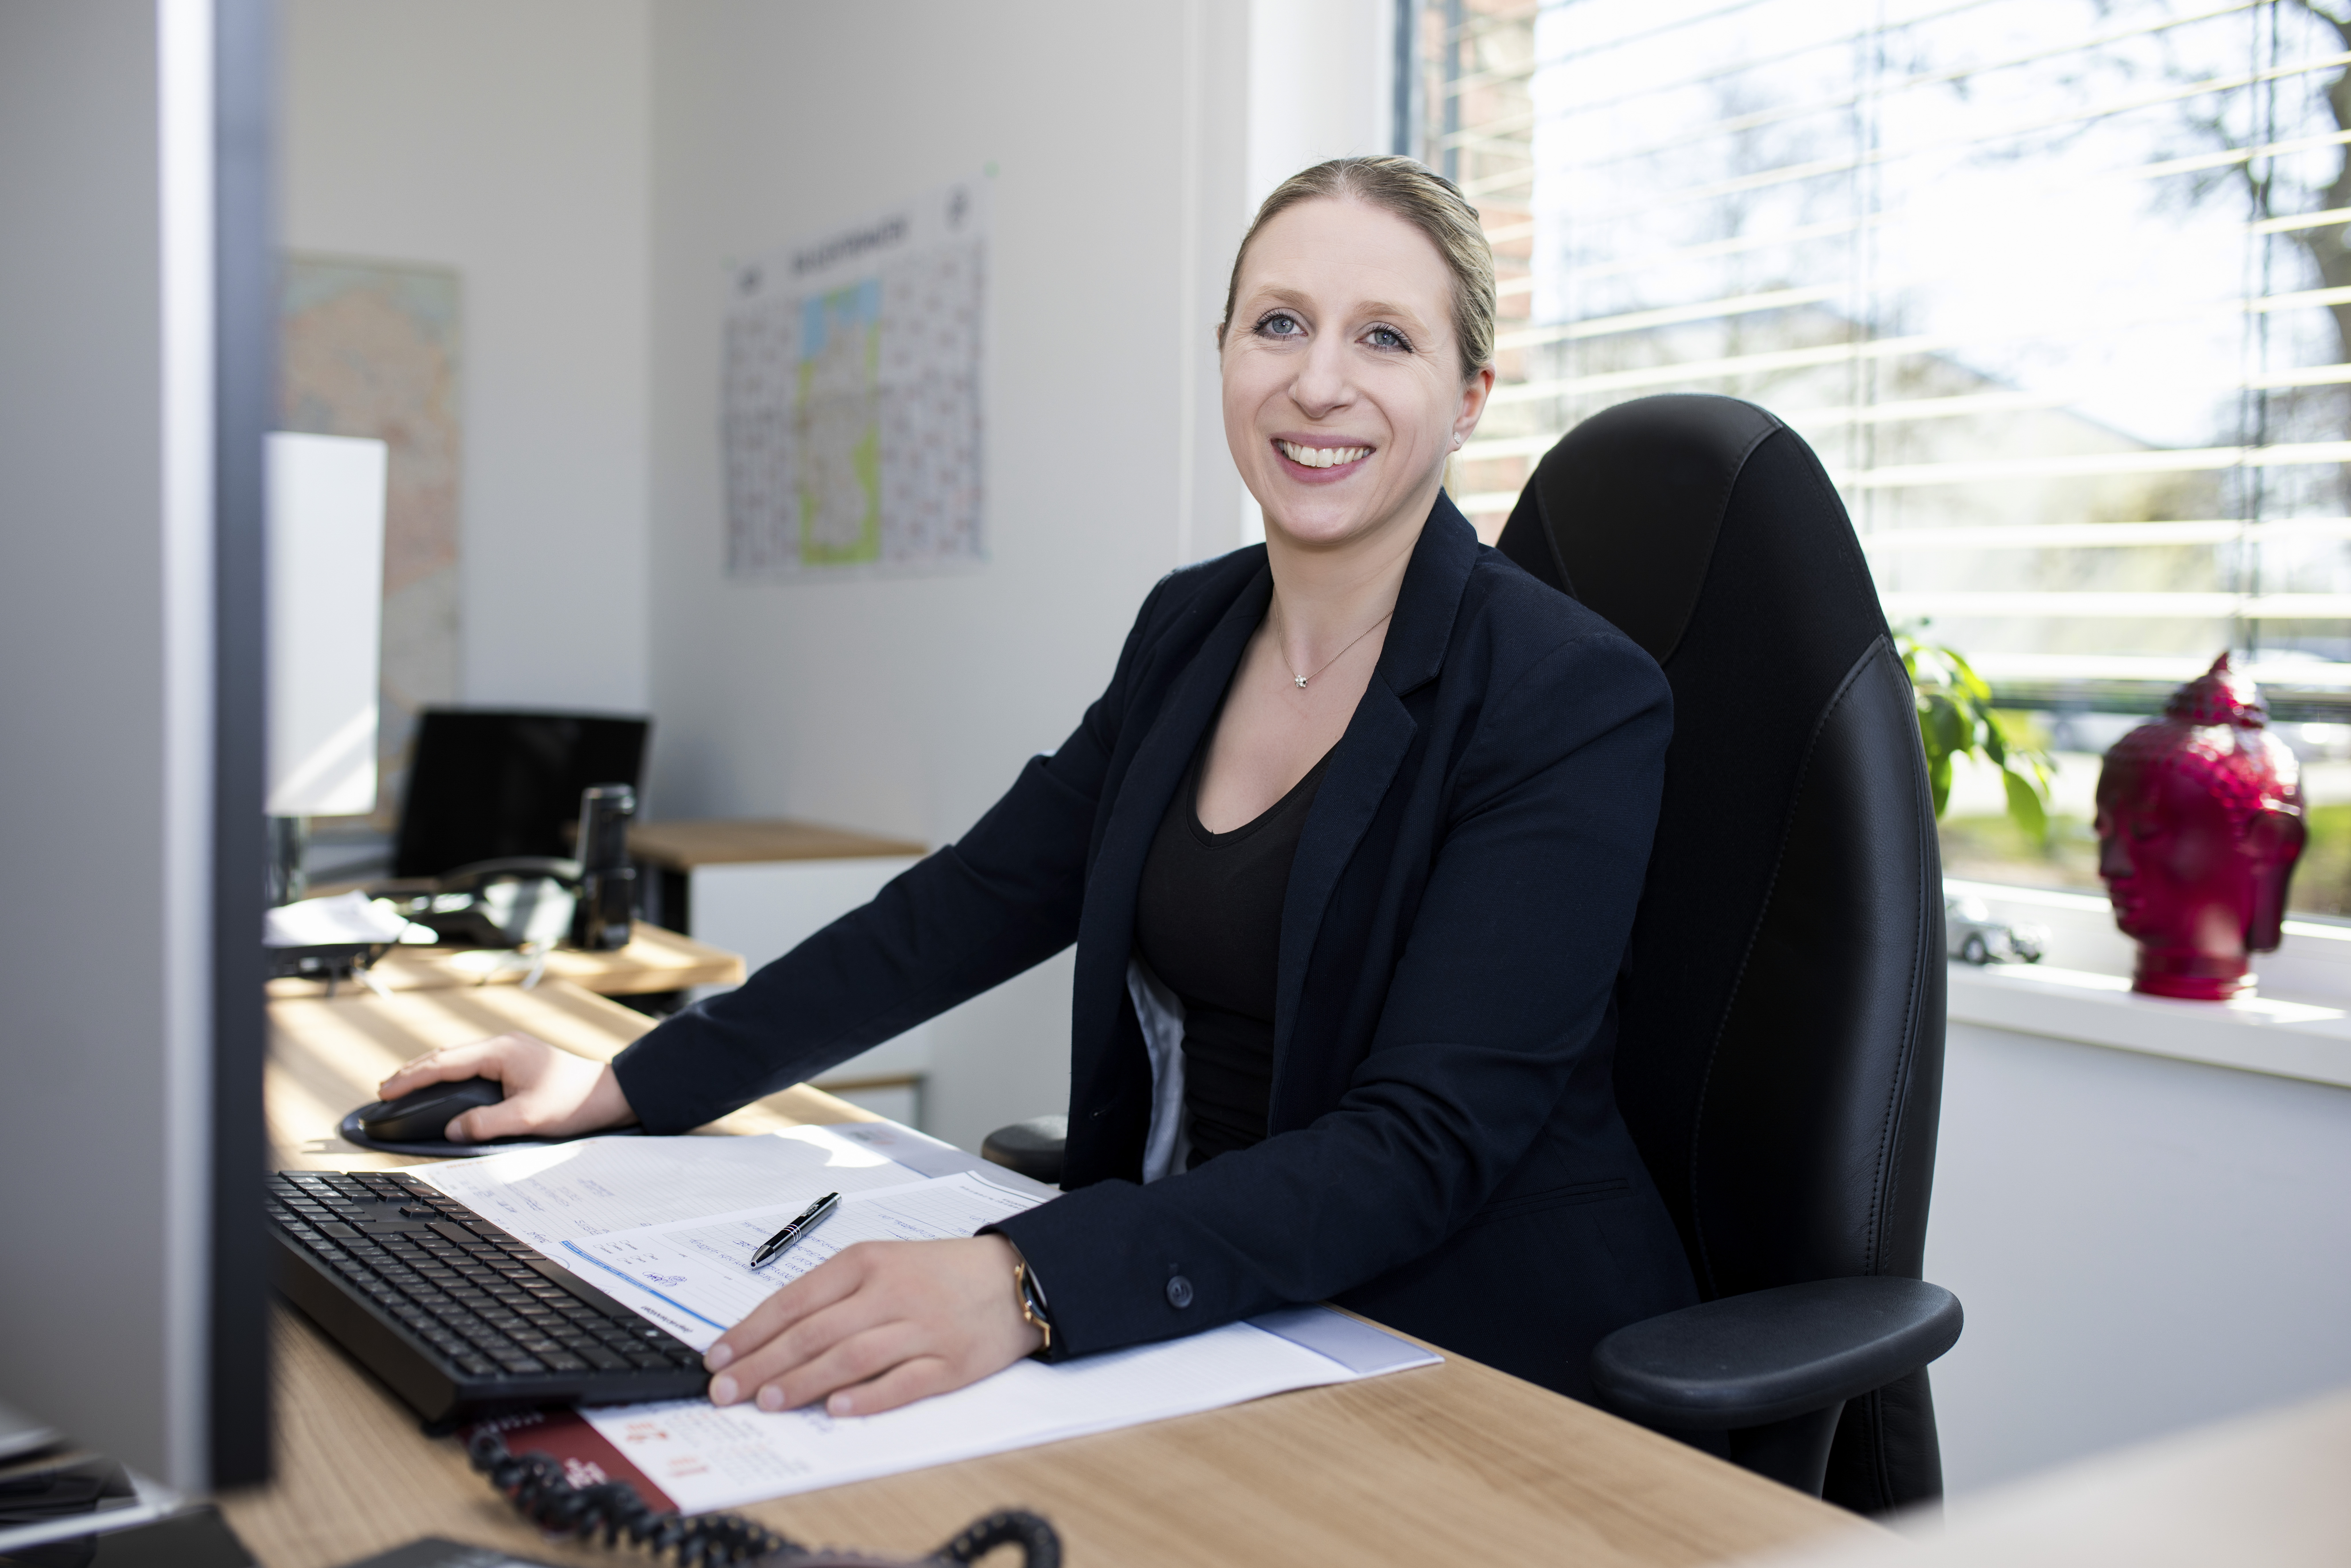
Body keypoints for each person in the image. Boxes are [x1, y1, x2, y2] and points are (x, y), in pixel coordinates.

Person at [376, 156, 1699, 1420]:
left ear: (1468, 396)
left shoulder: (1564, 693)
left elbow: (1424, 1142)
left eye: (1383, 340)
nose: (1315, 382)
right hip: (1216, 1316)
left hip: (1464, 1354)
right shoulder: (1191, 631)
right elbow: (967, 904)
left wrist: (1027, 1278)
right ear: (1223, 353)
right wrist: (626, 1083)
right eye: (1277, 323)